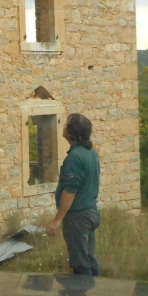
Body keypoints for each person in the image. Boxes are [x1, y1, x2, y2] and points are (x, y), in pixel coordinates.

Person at [46, 113, 101, 276]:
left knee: (80, 264)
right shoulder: (90, 152)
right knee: (89, 258)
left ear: (71, 133)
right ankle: (96, 291)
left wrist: (56, 221)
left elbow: (69, 193)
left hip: (78, 217)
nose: (62, 126)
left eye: (65, 124)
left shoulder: (74, 158)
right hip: (91, 211)